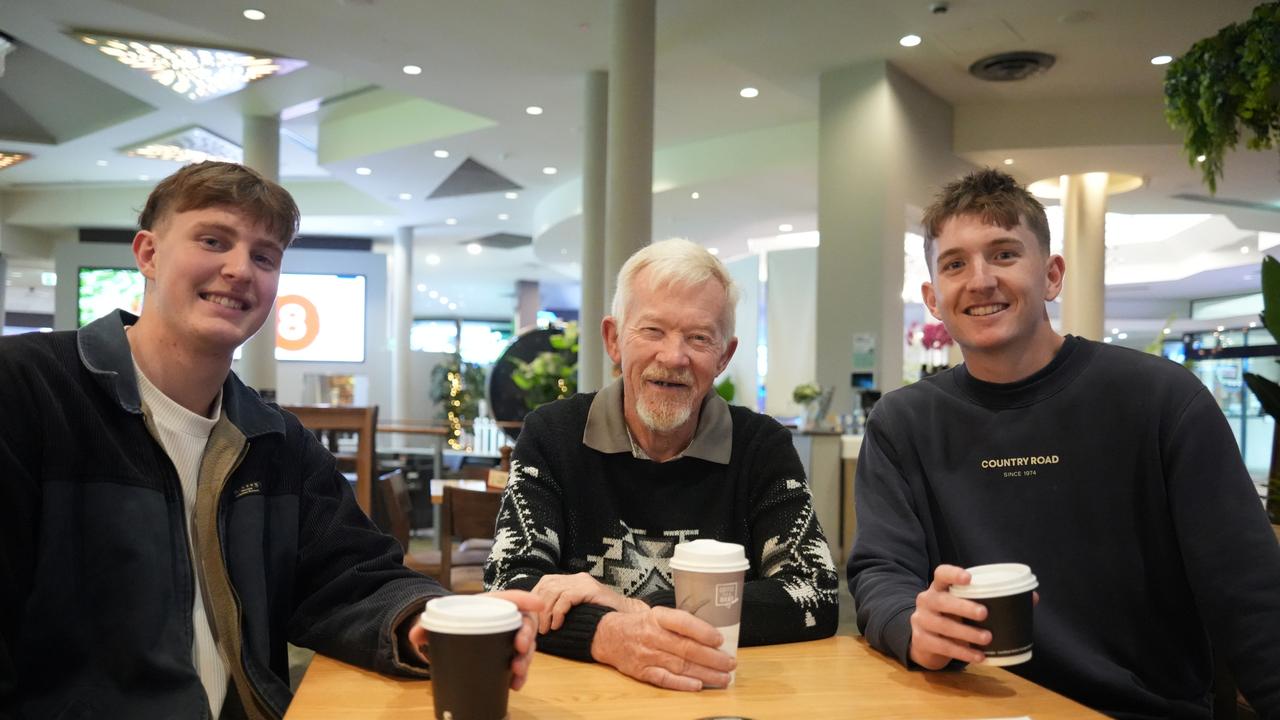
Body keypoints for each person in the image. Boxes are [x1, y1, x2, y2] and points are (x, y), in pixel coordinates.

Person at [0, 162, 540, 719]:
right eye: (213, 240)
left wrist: (422, 621)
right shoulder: (30, 391)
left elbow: (349, 578)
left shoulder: (276, 441)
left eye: (264, 257)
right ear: (149, 254)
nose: (239, 270)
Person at [848, 168, 1280, 718]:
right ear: (934, 298)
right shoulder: (903, 422)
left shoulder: (1160, 400)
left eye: (1004, 254)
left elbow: (1251, 596)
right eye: (955, 263)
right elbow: (879, 571)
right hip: (970, 705)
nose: (979, 280)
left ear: (1052, 276)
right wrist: (911, 624)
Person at [484, 238, 839, 692]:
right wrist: (612, 634)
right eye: (652, 330)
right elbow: (508, 587)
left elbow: (816, 593)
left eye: (698, 338)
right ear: (614, 340)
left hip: (717, 698)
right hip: (581, 700)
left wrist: (633, 608)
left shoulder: (761, 446)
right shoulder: (552, 436)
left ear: (724, 356)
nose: (673, 357)